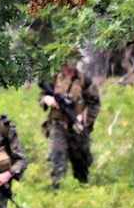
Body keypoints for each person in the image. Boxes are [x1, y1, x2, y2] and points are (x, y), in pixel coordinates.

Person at [38, 58, 100, 188]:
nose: (72, 61)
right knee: (57, 160)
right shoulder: (54, 78)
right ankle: (57, 193)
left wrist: (83, 117)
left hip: (77, 128)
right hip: (58, 126)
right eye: (68, 57)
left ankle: (82, 192)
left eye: (74, 57)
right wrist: (46, 99)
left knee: (81, 165)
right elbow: (41, 95)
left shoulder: (84, 79)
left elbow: (94, 102)